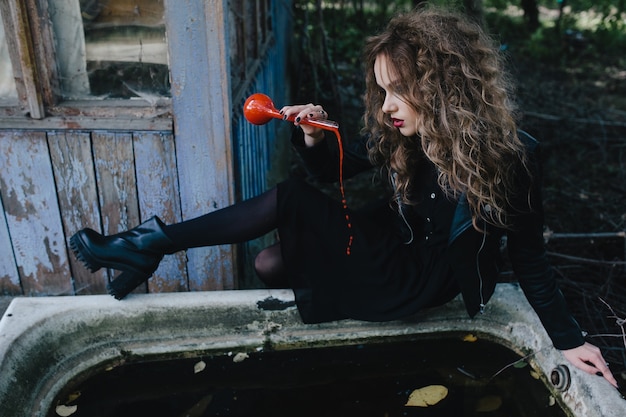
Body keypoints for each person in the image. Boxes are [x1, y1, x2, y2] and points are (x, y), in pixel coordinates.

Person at [70, 6, 617, 388]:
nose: (386, 105)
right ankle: (150, 246)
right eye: (382, 89)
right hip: (388, 238)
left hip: (420, 276)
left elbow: (530, 257)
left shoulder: (509, 157)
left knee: (289, 201)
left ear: (444, 87)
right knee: (270, 262)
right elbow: (331, 169)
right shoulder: (399, 131)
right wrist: (312, 133)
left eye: (398, 89)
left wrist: (568, 341)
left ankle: (149, 242)